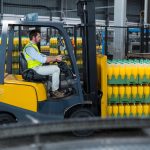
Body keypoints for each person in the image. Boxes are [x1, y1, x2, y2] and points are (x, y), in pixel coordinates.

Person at [23, 29, 64, 98]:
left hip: (37, 67)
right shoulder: (30, 48)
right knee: (56, 69)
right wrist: (55, 58)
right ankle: (54, 91)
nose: (40, 38)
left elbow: (43, 56)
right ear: (34, 37)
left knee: (54, 69)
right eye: (39, 36)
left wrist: (55, 57)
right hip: (35, 69)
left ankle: (50, 88)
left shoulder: (33, 46)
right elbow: (42, 60)